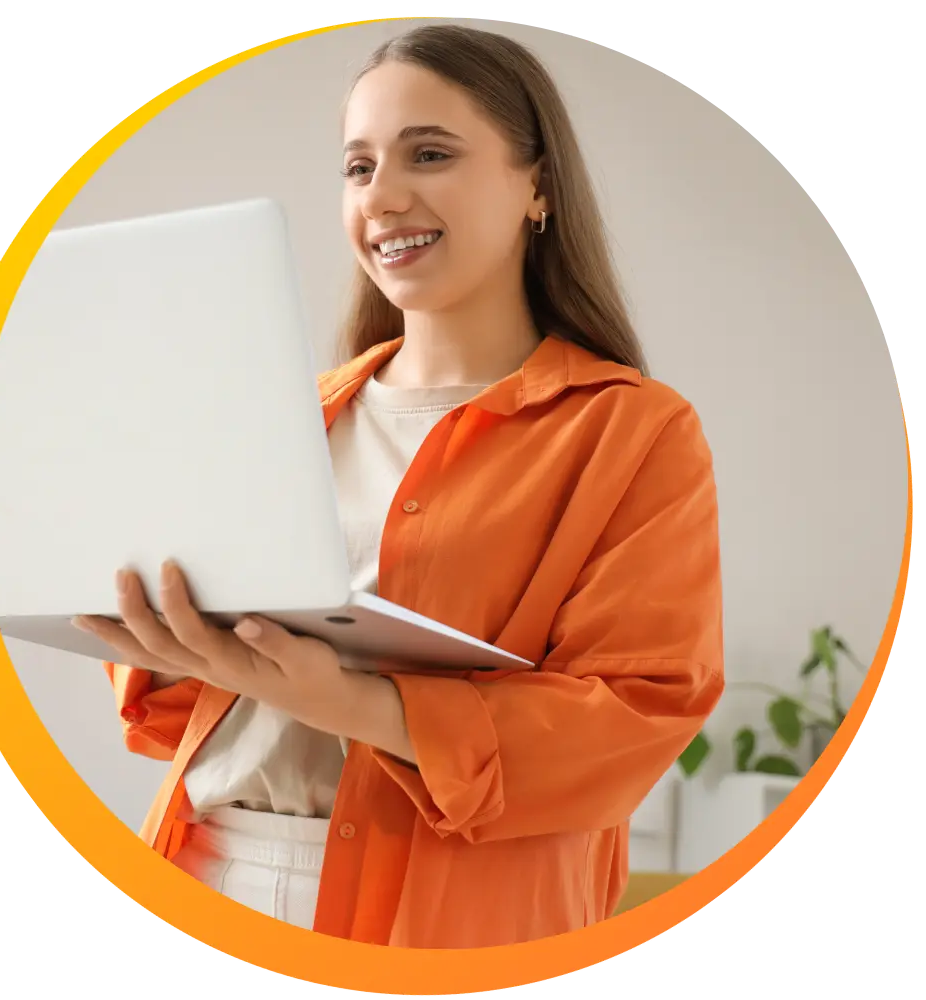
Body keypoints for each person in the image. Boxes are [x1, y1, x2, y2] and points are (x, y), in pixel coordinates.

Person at [77, 23, 724, 949]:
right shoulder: (288, 420)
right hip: (203, 868)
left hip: (451, 920)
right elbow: (186, 719)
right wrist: (162, 633)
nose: (383, 195)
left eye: (430, 154)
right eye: (358, 167)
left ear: (537, 185)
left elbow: (636, 718)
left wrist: (352, 704)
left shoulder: (630, 431)